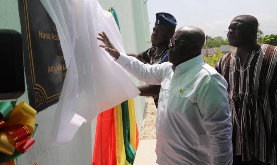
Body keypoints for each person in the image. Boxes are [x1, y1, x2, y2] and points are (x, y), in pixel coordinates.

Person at [98, 26, 233, 164]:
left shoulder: (207, 79)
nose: (169, 47)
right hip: (166, 159)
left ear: (192, 46)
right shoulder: (169, 69)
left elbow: (220, 134)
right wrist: (117, 55)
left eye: (174, 42)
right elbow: (144, 71)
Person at [215, 15, 277, 165]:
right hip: (235, 139)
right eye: (229, 29)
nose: (230, 32)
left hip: (267, 136)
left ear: (252, 31)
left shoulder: (273, 55)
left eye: (236, 28)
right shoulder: (225, 61)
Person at [128, 12, 176, 108]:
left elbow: (158, 88)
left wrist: (130, 91)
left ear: (170, 34)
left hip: (171, 109)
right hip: (161, 107)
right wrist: (116, 56)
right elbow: (137, 58)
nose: (154, 33)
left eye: (159, 30)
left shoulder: (172, 55)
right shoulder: (153, 51)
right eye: (154, 30)